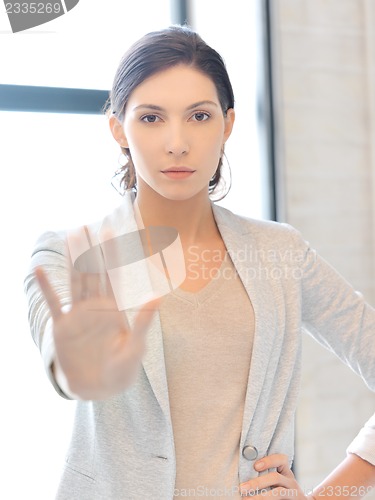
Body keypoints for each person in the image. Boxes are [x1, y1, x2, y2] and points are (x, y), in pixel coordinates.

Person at [24, 25, 375, 499]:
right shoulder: (68, 253)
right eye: (150, 118)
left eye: (199, 116)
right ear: (117, 129)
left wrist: (330, 497)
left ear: (227, 124)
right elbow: (64, 363)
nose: (177, 143)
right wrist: (77, 358)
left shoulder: (280, 252)